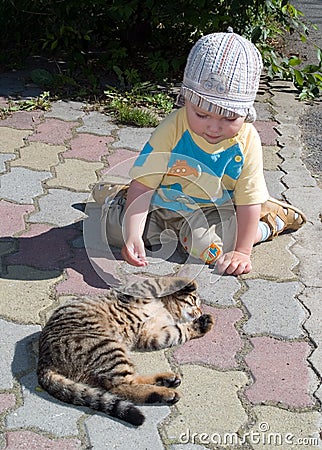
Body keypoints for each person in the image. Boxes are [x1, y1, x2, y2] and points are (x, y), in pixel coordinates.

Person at [93, 31, 306, 276]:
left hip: (211, 211)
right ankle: (121, 196)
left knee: (211, 248)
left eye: (229, 117)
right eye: (202, 114)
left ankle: (270, 220)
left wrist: (243, 252)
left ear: (246, 112)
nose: (214, 127)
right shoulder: (173, 127)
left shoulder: (247, 140)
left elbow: (247, 201)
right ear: (186, 100)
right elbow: (144, 186)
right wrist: (132, 236)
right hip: (161, 203)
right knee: (114, 231)